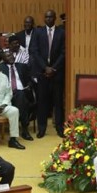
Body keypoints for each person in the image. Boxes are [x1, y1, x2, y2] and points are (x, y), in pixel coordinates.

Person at [29, 10, 66, 139]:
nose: (48, 18)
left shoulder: (62, 32)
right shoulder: (38, 32)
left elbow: (64, 52)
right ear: (44, 18)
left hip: (57, 73)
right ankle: (42, 128)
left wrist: (53, 68)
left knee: (58, 102)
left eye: (51, 17)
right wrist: (45, 68)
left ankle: (60, 128)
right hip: (42, 72)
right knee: (42, 102)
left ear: (55, 18)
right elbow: (34, 51)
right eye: (46, 16)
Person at [0, 51, 34, 141]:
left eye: (11, 55)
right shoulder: (0, 68)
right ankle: (24, 129)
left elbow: (30, 80)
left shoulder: (22, 66)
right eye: (7, 56)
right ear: (3, 59)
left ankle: (24, 130)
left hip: (22, 92)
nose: (10, 57)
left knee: (21, 96)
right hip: (6, 94)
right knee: (21, 99)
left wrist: (29, 85)